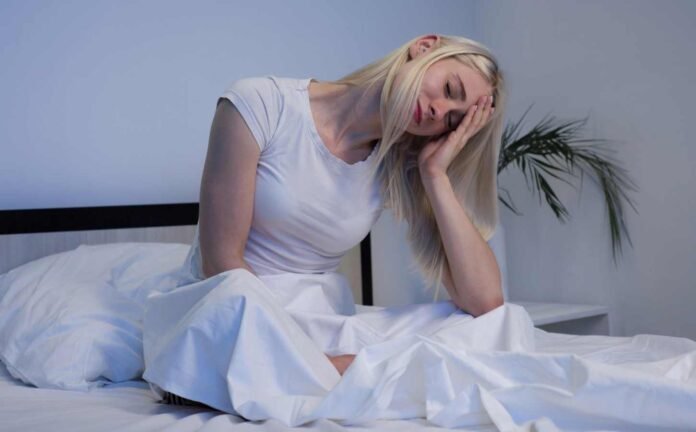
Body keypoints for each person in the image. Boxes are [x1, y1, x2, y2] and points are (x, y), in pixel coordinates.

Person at [151, 33, 507, 408]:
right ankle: (298, 370)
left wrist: (434, 174)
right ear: (424, 47)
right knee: (233, 299)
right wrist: (307, 354)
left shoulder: (397, 163)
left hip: (316, 321)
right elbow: (221, 263)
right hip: (232, 309)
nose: (439, 111)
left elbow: (486, 302)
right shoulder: (259, 103)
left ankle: (303, 373)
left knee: (487, 327)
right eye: (449, 88)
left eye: (452, 121)